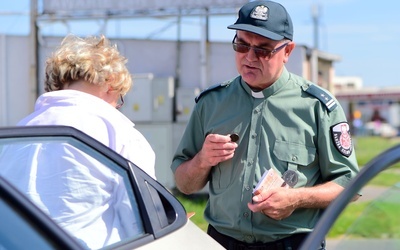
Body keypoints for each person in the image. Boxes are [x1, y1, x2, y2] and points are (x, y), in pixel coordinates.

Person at [170, 1, 360, 249]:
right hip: (222, 241)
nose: (249, 57)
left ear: (288, 51)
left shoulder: (317, 107)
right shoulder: (211, 103)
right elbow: (184, 184)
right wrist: (203, 160)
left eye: (263, 50)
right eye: (241, 45)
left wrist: (295, 198)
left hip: (292, 243)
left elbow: (350, 185)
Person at [0, 34, 155, 249]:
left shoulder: (20, 130)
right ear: (110, 84)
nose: (118, 106)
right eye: (120, 98)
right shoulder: (119, 132)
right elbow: (139, 219)